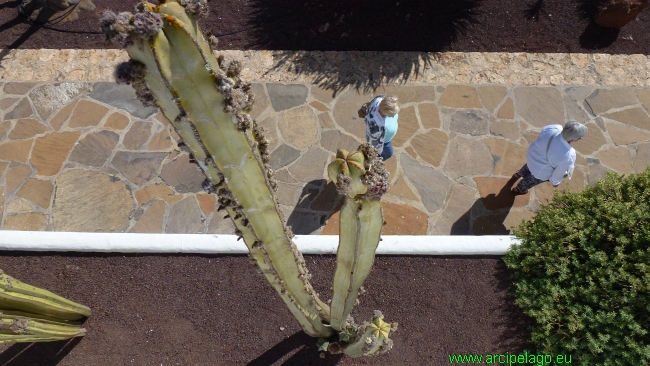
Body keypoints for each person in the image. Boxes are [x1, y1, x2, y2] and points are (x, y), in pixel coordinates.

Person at [512, 120, 588, 194]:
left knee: (528, 167)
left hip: (532, 156)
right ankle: (519, 189)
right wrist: (555, 182)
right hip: (541, 171)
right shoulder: (569, 154)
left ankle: (519, 174)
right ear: (573, 139)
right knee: (530, 180)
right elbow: (559, 171)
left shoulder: (553, 128)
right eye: (580, 137)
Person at [364, 95, 400, 160]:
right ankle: (374, 160)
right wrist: (374, 152)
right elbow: (373, 142)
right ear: (384, 112)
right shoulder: (376, 126)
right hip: (384, 142)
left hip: (385, 138)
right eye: (391, 115)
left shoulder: (379, 100)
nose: (393, 116)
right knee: (388, 153)